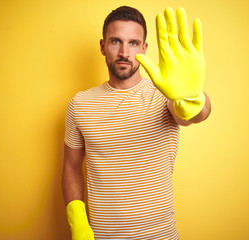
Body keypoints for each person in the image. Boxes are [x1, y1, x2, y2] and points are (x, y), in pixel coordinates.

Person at [63, 5, 211, 240]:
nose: (124, 52)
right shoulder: (80, 103)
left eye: (133, 43)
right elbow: (71, 166)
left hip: (161, 235)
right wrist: (77, 220)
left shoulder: (165, 95)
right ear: (103, 46)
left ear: (144, 48)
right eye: (115, 41)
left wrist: (190, 97)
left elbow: (196, 115)